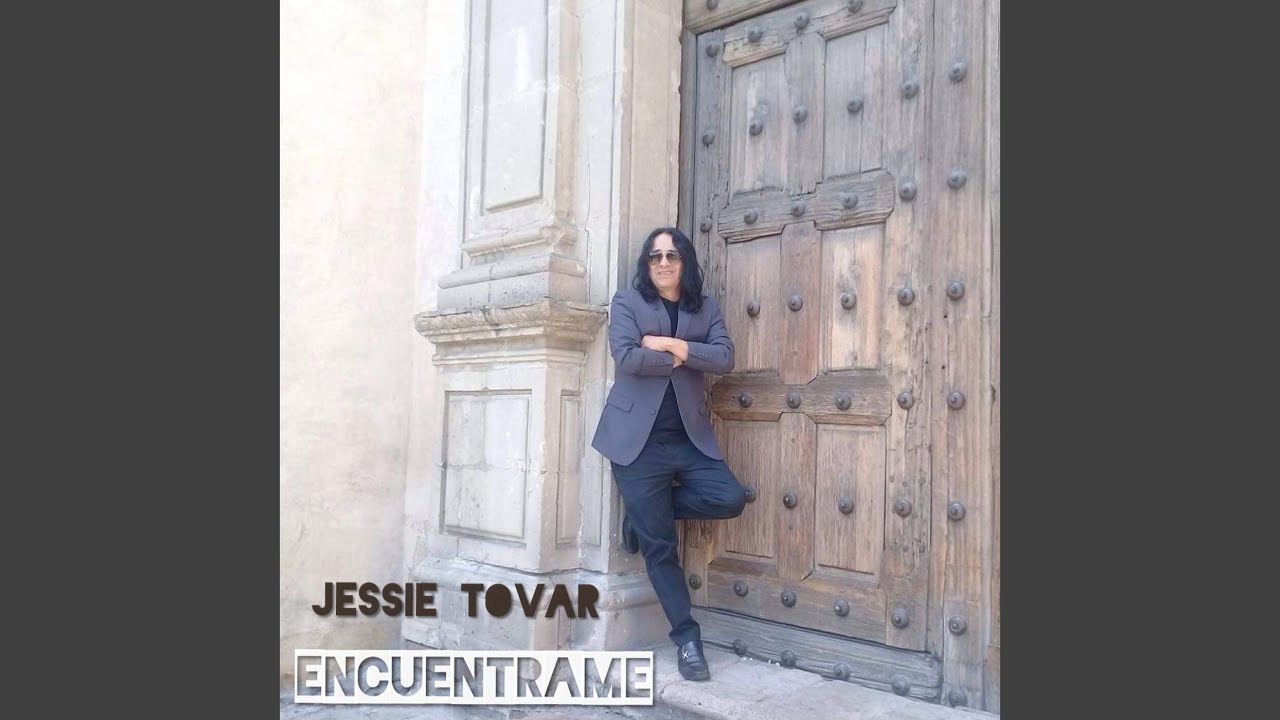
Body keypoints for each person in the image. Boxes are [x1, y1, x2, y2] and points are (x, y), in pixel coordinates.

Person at [591, 226, 748, 681]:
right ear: (647, 264)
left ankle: (643, 515)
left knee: (729, 497)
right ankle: (687, 640)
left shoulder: (705, 308)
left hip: (688, 439)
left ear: (685, 263)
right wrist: (688, 356)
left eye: (672, 255)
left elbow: (724, 358)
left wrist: (670, 344)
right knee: (660, 546)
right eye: (655, 256)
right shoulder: (627, 302)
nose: (663, 263)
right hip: (635, 444)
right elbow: (627, 357)